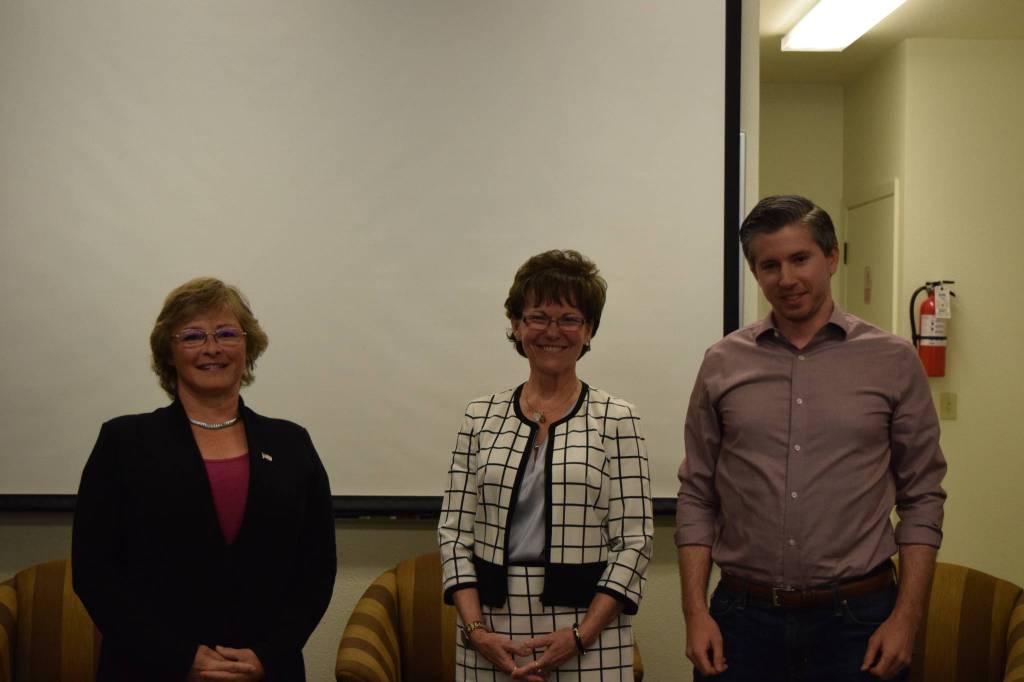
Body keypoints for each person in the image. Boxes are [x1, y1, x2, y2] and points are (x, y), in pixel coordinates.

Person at [676, 195, 947, 682]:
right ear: (756, 273)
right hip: (741, 620)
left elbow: (923, 497)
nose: (787, 278)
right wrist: (696, 614)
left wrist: (906, 619)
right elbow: (697, 495)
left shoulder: (893, 361)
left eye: (800, 258)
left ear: (831, 257)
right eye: (769, 265)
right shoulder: (722, 362)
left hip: (859, 624)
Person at [72, 277, 337, 681]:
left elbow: (317, 569)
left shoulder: (292, 443)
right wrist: (177, 658)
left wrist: (269, 654)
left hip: (265, 671)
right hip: (150, 669)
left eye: (227, 333)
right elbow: (95, 572)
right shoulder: (123, 442)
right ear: (169, 352)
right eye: (193, 336)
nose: (212, 348)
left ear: (248, 348)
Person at [438, 249, 654, 682]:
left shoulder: (618, 418)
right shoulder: (479, 416)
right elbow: (453, 535)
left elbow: (634, 541)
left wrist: (579, 636)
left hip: (589, 634)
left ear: (589, 330)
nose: (552, 332)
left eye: (570, 319)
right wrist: (476, 631)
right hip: (492, 633)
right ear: (517, 326)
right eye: (538, 317)